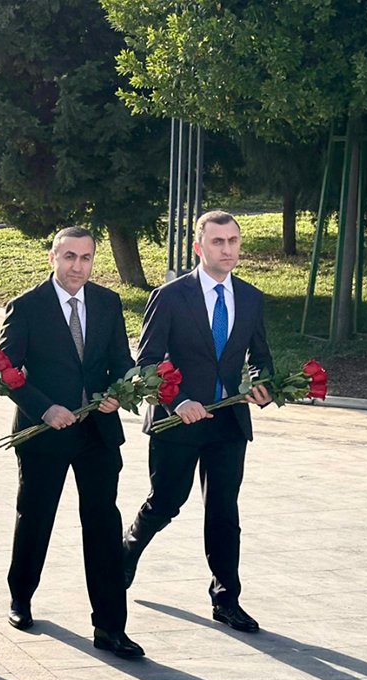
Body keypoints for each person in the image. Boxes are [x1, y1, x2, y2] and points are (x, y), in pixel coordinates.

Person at [123, 210, 274, 633]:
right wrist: (180, 401)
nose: (227, 250)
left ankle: (227, 597)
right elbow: (147, 364)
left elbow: (260, 359)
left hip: (228, 423)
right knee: (166, 502)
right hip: (178, 422)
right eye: (218, 242)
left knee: (224, 510)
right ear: (198, 247)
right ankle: (123, 557)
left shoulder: (250, 297)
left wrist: (263, 385)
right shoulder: (170, 297)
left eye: (233, 241)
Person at [0, 227, 143, 659]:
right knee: (36, 517)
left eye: (86, 258)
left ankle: (110, 627)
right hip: (45, 433)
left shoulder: (107, 302)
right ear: (53, 257)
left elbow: (121, 359)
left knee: (102, 525)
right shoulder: (26, 307)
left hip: (98, 432)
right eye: (69, 257)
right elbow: (7, 370)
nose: (78, 266)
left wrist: (122, 389)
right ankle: (21, 596)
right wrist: (45, 409)